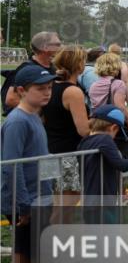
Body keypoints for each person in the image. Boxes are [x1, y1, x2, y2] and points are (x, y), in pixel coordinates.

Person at [1, 64, 56, 263]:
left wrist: (52, 187)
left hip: (39, 198)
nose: (47, 93)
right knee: (35, 255)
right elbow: (13, 165)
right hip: (27, 202)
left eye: (49, 88)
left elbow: (41, 157)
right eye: (40, 89)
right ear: (21, 91)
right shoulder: (18, 121)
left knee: (24, 254)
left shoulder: (35, 116)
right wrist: (23, 204)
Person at [46, 47, 91, 219]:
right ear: (78, 64)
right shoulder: (73, 91)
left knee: (59, 203)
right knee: (66, 206)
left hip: (51, 149)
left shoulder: (51, 86)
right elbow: (83, 130)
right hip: (68, 155)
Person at [80, 104, 128, 199]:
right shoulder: (105, 140)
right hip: (104, 194)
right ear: (114, 128)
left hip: (88, 192)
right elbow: (121, 165)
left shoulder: (85, 141)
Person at [2, 31, 60, 114]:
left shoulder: (53, 67)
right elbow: (11, 99)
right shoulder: (26, 68)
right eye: (57, 45)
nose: (61, 47)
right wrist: (41, 113)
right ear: (45, 47)